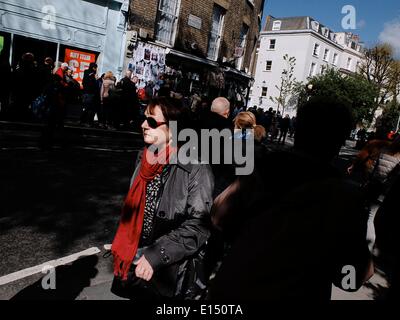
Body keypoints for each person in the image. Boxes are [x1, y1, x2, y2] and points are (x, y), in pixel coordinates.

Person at [209, 96, 373, 300]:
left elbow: (218, 216)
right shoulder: (346, 198)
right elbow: (353, 277)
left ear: (299, 130)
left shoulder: (263, 170)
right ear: (339, 141)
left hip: (237, 288)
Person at [111, 97, 214, 300]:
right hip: (136, 262)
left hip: (170, 272)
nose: (143, 125)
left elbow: (198, 226)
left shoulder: (195, 167)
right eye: (144, 119)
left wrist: (156, 255)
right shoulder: (144, 158)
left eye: (151, 122)